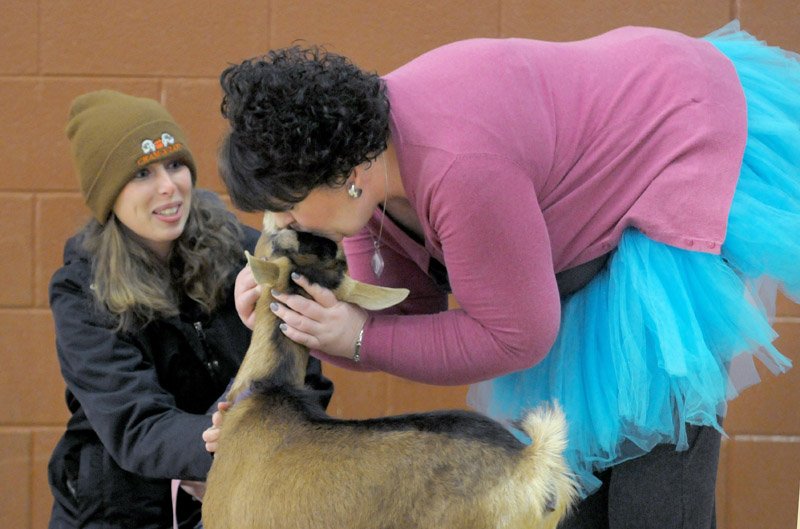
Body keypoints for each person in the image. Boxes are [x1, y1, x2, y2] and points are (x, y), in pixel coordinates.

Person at [215, 20, 799, 528]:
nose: (278, 221)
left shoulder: (459, 168)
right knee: (576, 492)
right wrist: (290, 314)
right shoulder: (361, 163)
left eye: (286, 205)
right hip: (564, 213)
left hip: (674, 132)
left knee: (653, 486)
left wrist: (356, 335)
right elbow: (399, 319)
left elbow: (517, 335)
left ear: (343, 175)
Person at [47, 90, 333, 529]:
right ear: (108, 193)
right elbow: (135, 425)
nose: (169, 186)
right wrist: (220, 451)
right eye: (142, 173)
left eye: (175, 164)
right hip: (118, 510)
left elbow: (302, 375)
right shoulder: (82, 289)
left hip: (239, 498)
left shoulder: (242, 250)